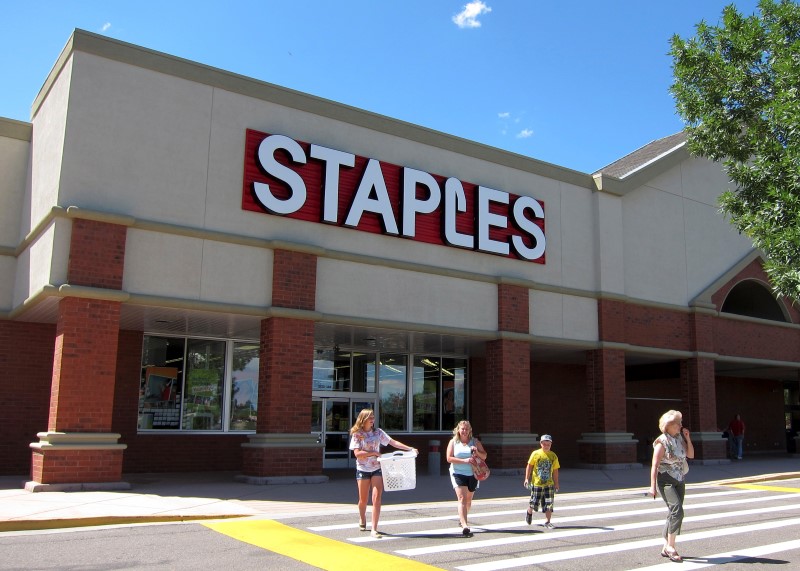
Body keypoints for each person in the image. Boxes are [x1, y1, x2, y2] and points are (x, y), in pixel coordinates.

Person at [348, 408, 417, 538]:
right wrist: (373, 452)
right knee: (363, 500)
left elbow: (392, 442)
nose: (372, 420)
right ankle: (362, 518)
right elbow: (357, 454)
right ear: (363, 419)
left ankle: (374, 528)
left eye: (373, 417)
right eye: (370, 417)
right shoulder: (358, 434)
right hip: (363, 469)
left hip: (377, 468)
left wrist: (410, 448)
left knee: (376, 498)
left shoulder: (378, 432)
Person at [648, 409, 694, 563]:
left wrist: (687, 439)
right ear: (669, 425)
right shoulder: (662, 442)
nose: (681, 426)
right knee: (677, 511)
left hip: (680, 479)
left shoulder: (679, 438)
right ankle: (671, 547)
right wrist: (652, 486)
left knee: (673, 513)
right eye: (678, 424)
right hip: (666, 480)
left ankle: (666, 545)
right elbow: (654, 465)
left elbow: (691, 455)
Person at [446, 420, 487, 537]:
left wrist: (477, 452)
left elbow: (484, 456)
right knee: (462, 498)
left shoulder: (475, 442)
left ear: (470, 431)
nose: (464, 431)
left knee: (468, 501)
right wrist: (465, 461)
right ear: (458, 430)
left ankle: (462, 518)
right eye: (462, 429)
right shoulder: (453, 442)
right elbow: (449, 458)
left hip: (473, 474)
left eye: (466, 429)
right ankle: (464, 525)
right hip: (457, 473)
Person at [524, 434, 560, 528]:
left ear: (551, 444)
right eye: (544, 444)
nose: (546, 446)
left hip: (549, 484)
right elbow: (529, 466)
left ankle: (548, 522)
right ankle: (529, 511)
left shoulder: (553, 456)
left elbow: (555, 470)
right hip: (537, 483)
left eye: (548, 444)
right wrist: (527, 478)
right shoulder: (536, 454)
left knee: (549, 503)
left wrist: (556, 483)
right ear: (541, 444)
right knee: (534, 503)